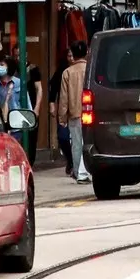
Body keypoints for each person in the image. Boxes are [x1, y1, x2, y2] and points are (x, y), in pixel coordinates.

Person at [57, 43, 90, 183]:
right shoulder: (91, 69)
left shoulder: (68, 73)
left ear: (73, 55)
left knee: (76, 143)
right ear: (87, 52)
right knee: (90, 142)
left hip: (75, 113)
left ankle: (78, 172)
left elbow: (63, 98)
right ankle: (88, 171)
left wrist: (62, 117)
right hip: (91, 111)